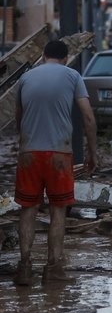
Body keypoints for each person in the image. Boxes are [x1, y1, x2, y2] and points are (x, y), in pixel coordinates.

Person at [13, 40, 98, 286]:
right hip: (59, 155)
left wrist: (25, 142)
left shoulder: (26, 78)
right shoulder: (72, 76)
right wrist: (92, 153)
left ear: (43, 55)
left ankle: (25, 269)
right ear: (66, 57)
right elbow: (88, 118)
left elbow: (19, 118)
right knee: (57, 211)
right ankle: (53, 269)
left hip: (29, 153)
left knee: (27, 210)